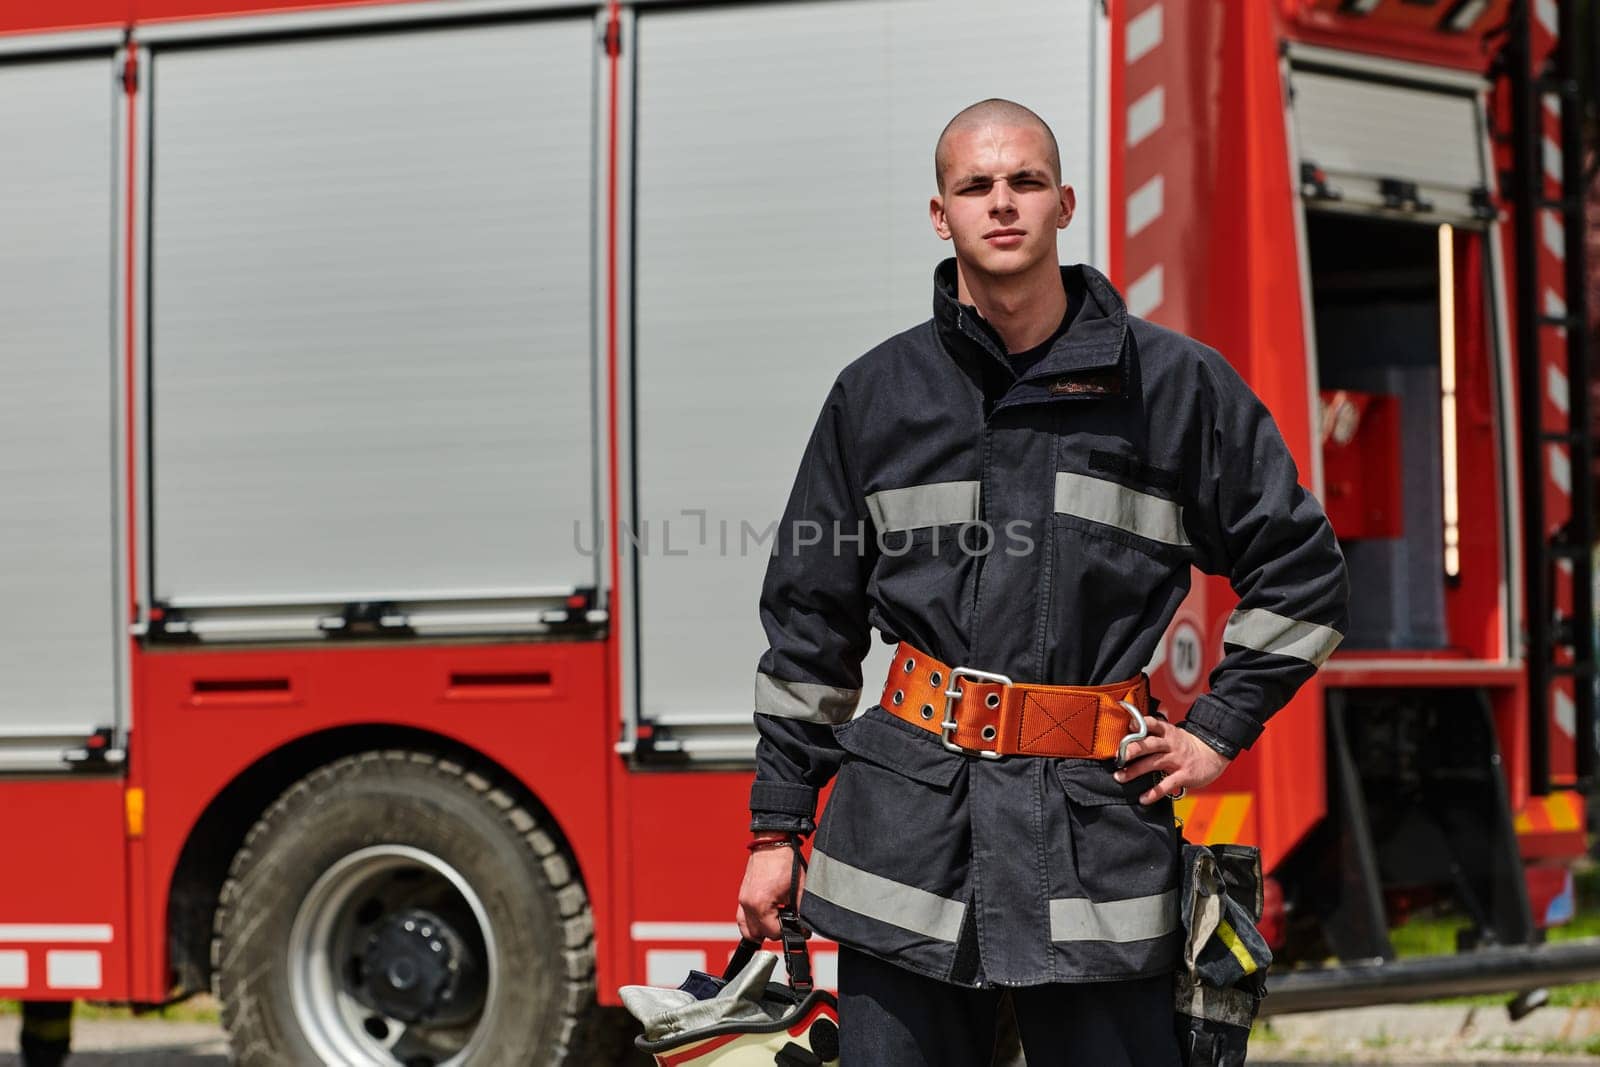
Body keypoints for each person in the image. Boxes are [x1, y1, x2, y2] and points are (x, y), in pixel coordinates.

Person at [734, 98, 1349, 1065]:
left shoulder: (1174, 388)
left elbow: (1303, 574)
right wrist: (776, 826)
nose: (1002, 202)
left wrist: (1216, 731)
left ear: (1064, 202)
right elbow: (811, 622)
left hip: (1093, 848)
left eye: (1024, 181)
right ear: (941, 215)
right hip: (907, 846)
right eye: (975, 186)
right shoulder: (877, 396)